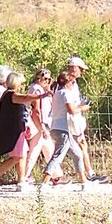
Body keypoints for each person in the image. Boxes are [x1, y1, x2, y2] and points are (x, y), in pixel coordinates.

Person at [0, 72, 47, 191]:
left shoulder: (8, 95)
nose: (21, 86)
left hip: (18, 130)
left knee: (22, 154)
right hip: (14, 132)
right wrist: (41, 96)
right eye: (20, 83)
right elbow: (25, 98)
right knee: (17, 156)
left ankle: (21, 182)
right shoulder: (11, 95)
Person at [43, 59, 91, 188]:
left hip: (58, 127)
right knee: (58, 156)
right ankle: (44, 182)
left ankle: (84, 182)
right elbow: (72, 110)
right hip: (62, 128)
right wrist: (83, 108)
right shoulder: (65, 93)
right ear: (68, 82)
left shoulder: (57, 93)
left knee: (77, 154)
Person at [24, 68, 56, 180]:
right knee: (35, 151)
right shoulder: (36, 90)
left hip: (40, 124)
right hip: (37, 124)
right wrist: (42, 127)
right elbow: (36, 110)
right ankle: (25, 176)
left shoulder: (40, 90)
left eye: (49, 79)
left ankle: (56, 175)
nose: (47, 81)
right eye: (45, 79)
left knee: (48, 149)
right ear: (38, 78)